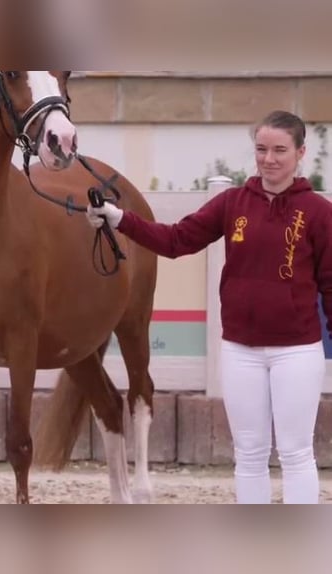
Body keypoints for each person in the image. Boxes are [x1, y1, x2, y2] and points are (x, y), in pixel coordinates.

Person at [86, 110, 332, 504]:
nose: (269, 158)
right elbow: (176, 240)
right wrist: (118, 219)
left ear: (300, 152)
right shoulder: (232, 203)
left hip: (296, 351)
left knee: (296, 453)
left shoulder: (319, 213)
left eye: (280, 150)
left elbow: (331, 284)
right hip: (240, 351)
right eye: (261, 149)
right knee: (249, 455)